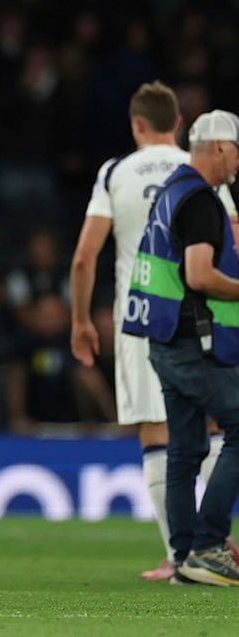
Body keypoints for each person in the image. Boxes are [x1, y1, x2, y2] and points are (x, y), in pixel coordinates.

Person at [69, 81, 231, 580]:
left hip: (141, 320)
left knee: (159, 437)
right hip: (204, 318)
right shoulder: (200, 171)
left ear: (137, 124)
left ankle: (178, 554)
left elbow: (83, 257)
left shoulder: (115, 172)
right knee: (213, 428)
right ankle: (216, 545)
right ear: (178, 124)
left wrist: (80, 321)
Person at [123, 109, 239, 586]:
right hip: (194, 341)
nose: (236, 159)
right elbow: (198, 274)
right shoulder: (201, 201)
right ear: (217, 147)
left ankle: (186, 557)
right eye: (235, 149)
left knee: (185, 449)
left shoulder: (173, 191)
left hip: (165, 337)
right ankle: (210, 546)